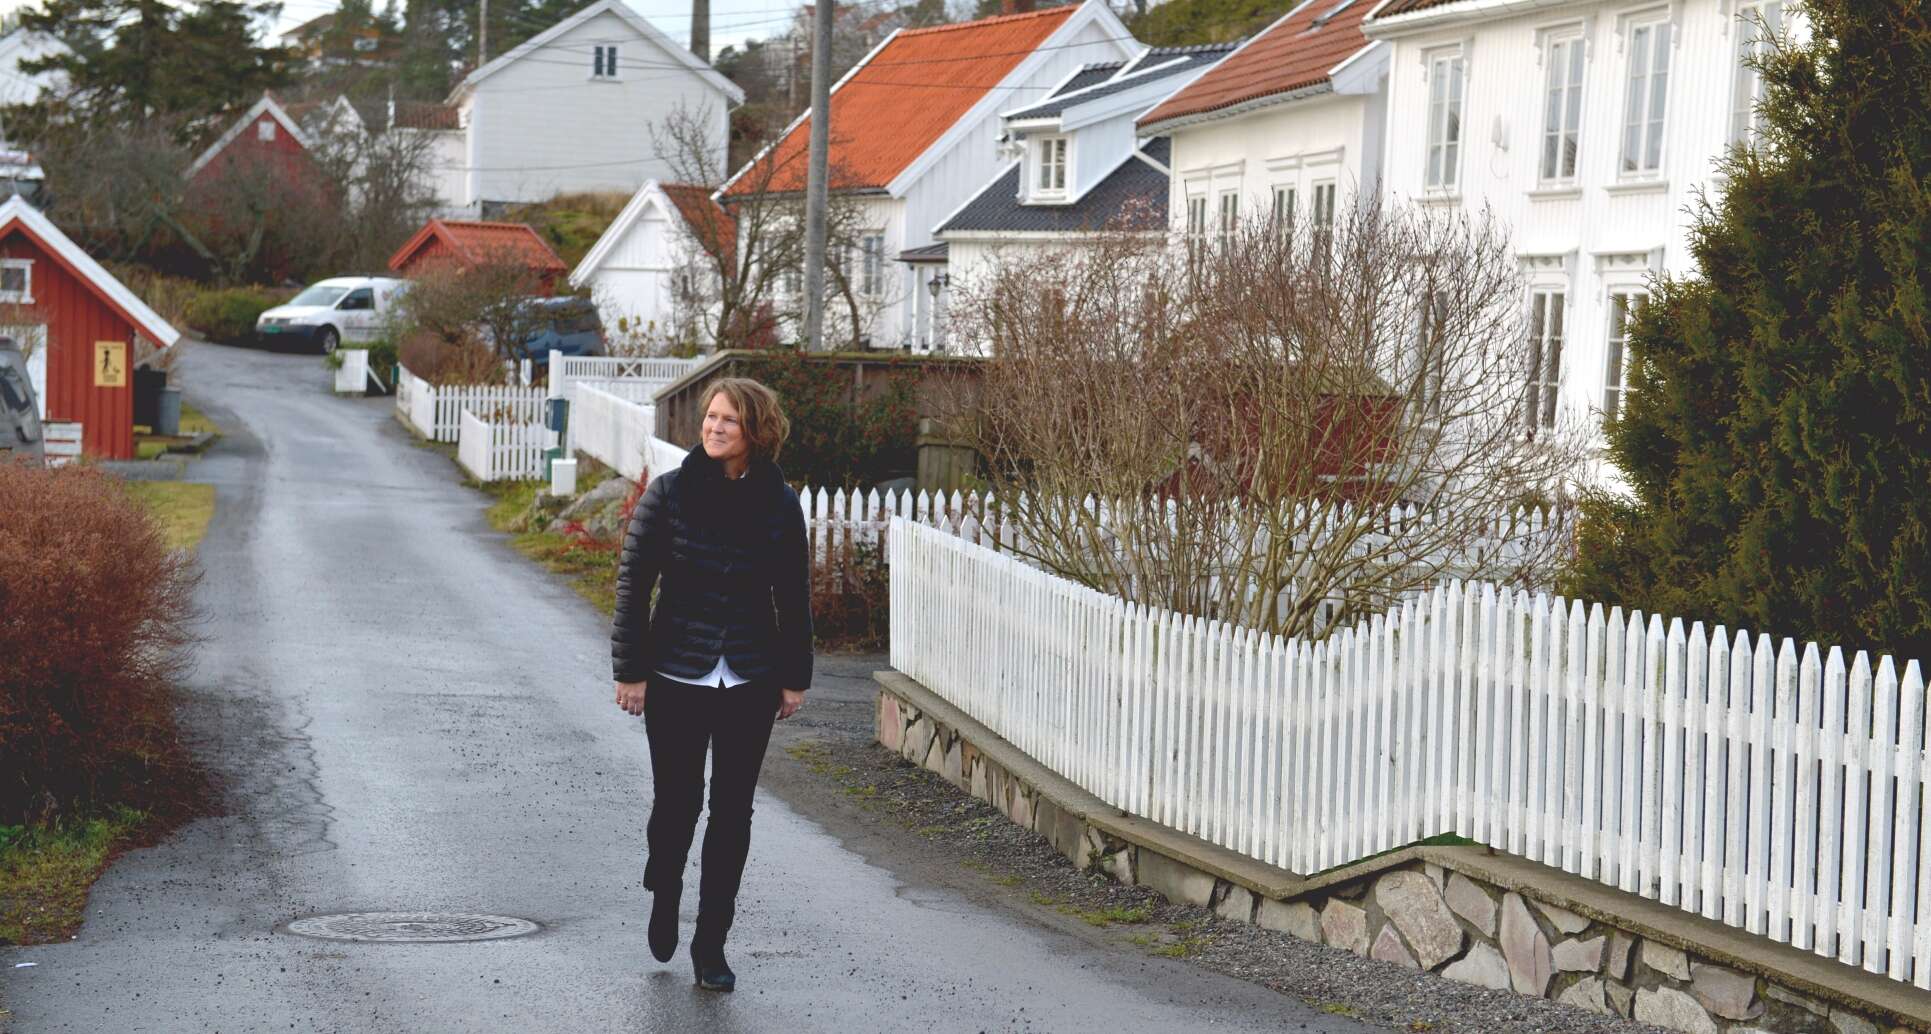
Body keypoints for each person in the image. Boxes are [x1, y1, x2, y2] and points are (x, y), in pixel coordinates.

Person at [610, 377, 813, 993]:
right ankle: (666, 886)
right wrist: (630, 671)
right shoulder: (669, 493)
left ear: (755, 431)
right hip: (675, 673)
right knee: (678, 804)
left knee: (732, 812)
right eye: (711, 417)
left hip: (750, 677)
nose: (715, 427)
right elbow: (633, 584)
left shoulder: (779, 502)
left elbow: (793, 594)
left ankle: (711, 944)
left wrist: (794, 677)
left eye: (729, 419)